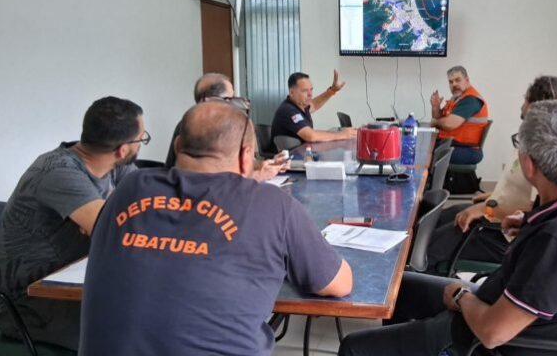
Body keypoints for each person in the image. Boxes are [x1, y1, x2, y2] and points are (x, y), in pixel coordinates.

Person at [338, 100, 557, 356]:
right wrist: (532, 224)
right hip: (496, 300)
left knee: (354, 347)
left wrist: (460, 298)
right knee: (399, 288)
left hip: (477, 340)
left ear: (530, 165)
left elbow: (493, 333)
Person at [79, 101, 353, 356]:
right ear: (247, 157)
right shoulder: (272, 204)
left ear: (176, 146)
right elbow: (339, 284)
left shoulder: (129, 188)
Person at [0, 97, 146, 350]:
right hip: (24, 304)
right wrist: (109, 220)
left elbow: (145, 207)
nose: (142, 144)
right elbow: (113, 232)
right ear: (123, 149)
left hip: (67, 283)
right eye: (142, 139)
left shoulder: (113, 166)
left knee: (149, 315)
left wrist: (107, 220)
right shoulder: (58, 171)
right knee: (133, 329)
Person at [424, 76, 557, 273]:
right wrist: (495, 195)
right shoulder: (537, 142)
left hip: (501, 233)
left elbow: (532, 210)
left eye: (525, 100)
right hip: (494, 214)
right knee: (433, 222)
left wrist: (486, 210)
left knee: (426, 249)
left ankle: (425, 288)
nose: (521, 104)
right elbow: (522, 189)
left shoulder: (545, 155)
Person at [165, 73, 288, 181]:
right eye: (231, 98)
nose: (234, 104)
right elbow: (208, 182)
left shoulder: (208, 123)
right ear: (213, 100)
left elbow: (230, 161)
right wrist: (257, 176)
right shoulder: (200, 129)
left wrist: (266, 164)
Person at [271, 70, 357, 147]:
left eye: (311, 89)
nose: (310, 94)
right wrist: (342, 134)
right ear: (292, 92)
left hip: (301, 152)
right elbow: (311, 136)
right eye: (304, 91)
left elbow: (315, 104)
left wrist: (332, 91)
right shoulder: (288, 110)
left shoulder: (301, 106)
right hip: (289, 160)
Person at [431, 66, 489, 165]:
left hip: (466, 149)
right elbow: (440, 119)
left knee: (424, 153)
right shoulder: (457, 98)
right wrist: (436, 107)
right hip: (454, 145)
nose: (454, 84)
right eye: (451, 82)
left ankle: (425, 180)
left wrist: (435, 122)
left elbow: (448, 124)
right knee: (421, 148)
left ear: (467, 80)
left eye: (458, 80)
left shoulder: (470, 99)